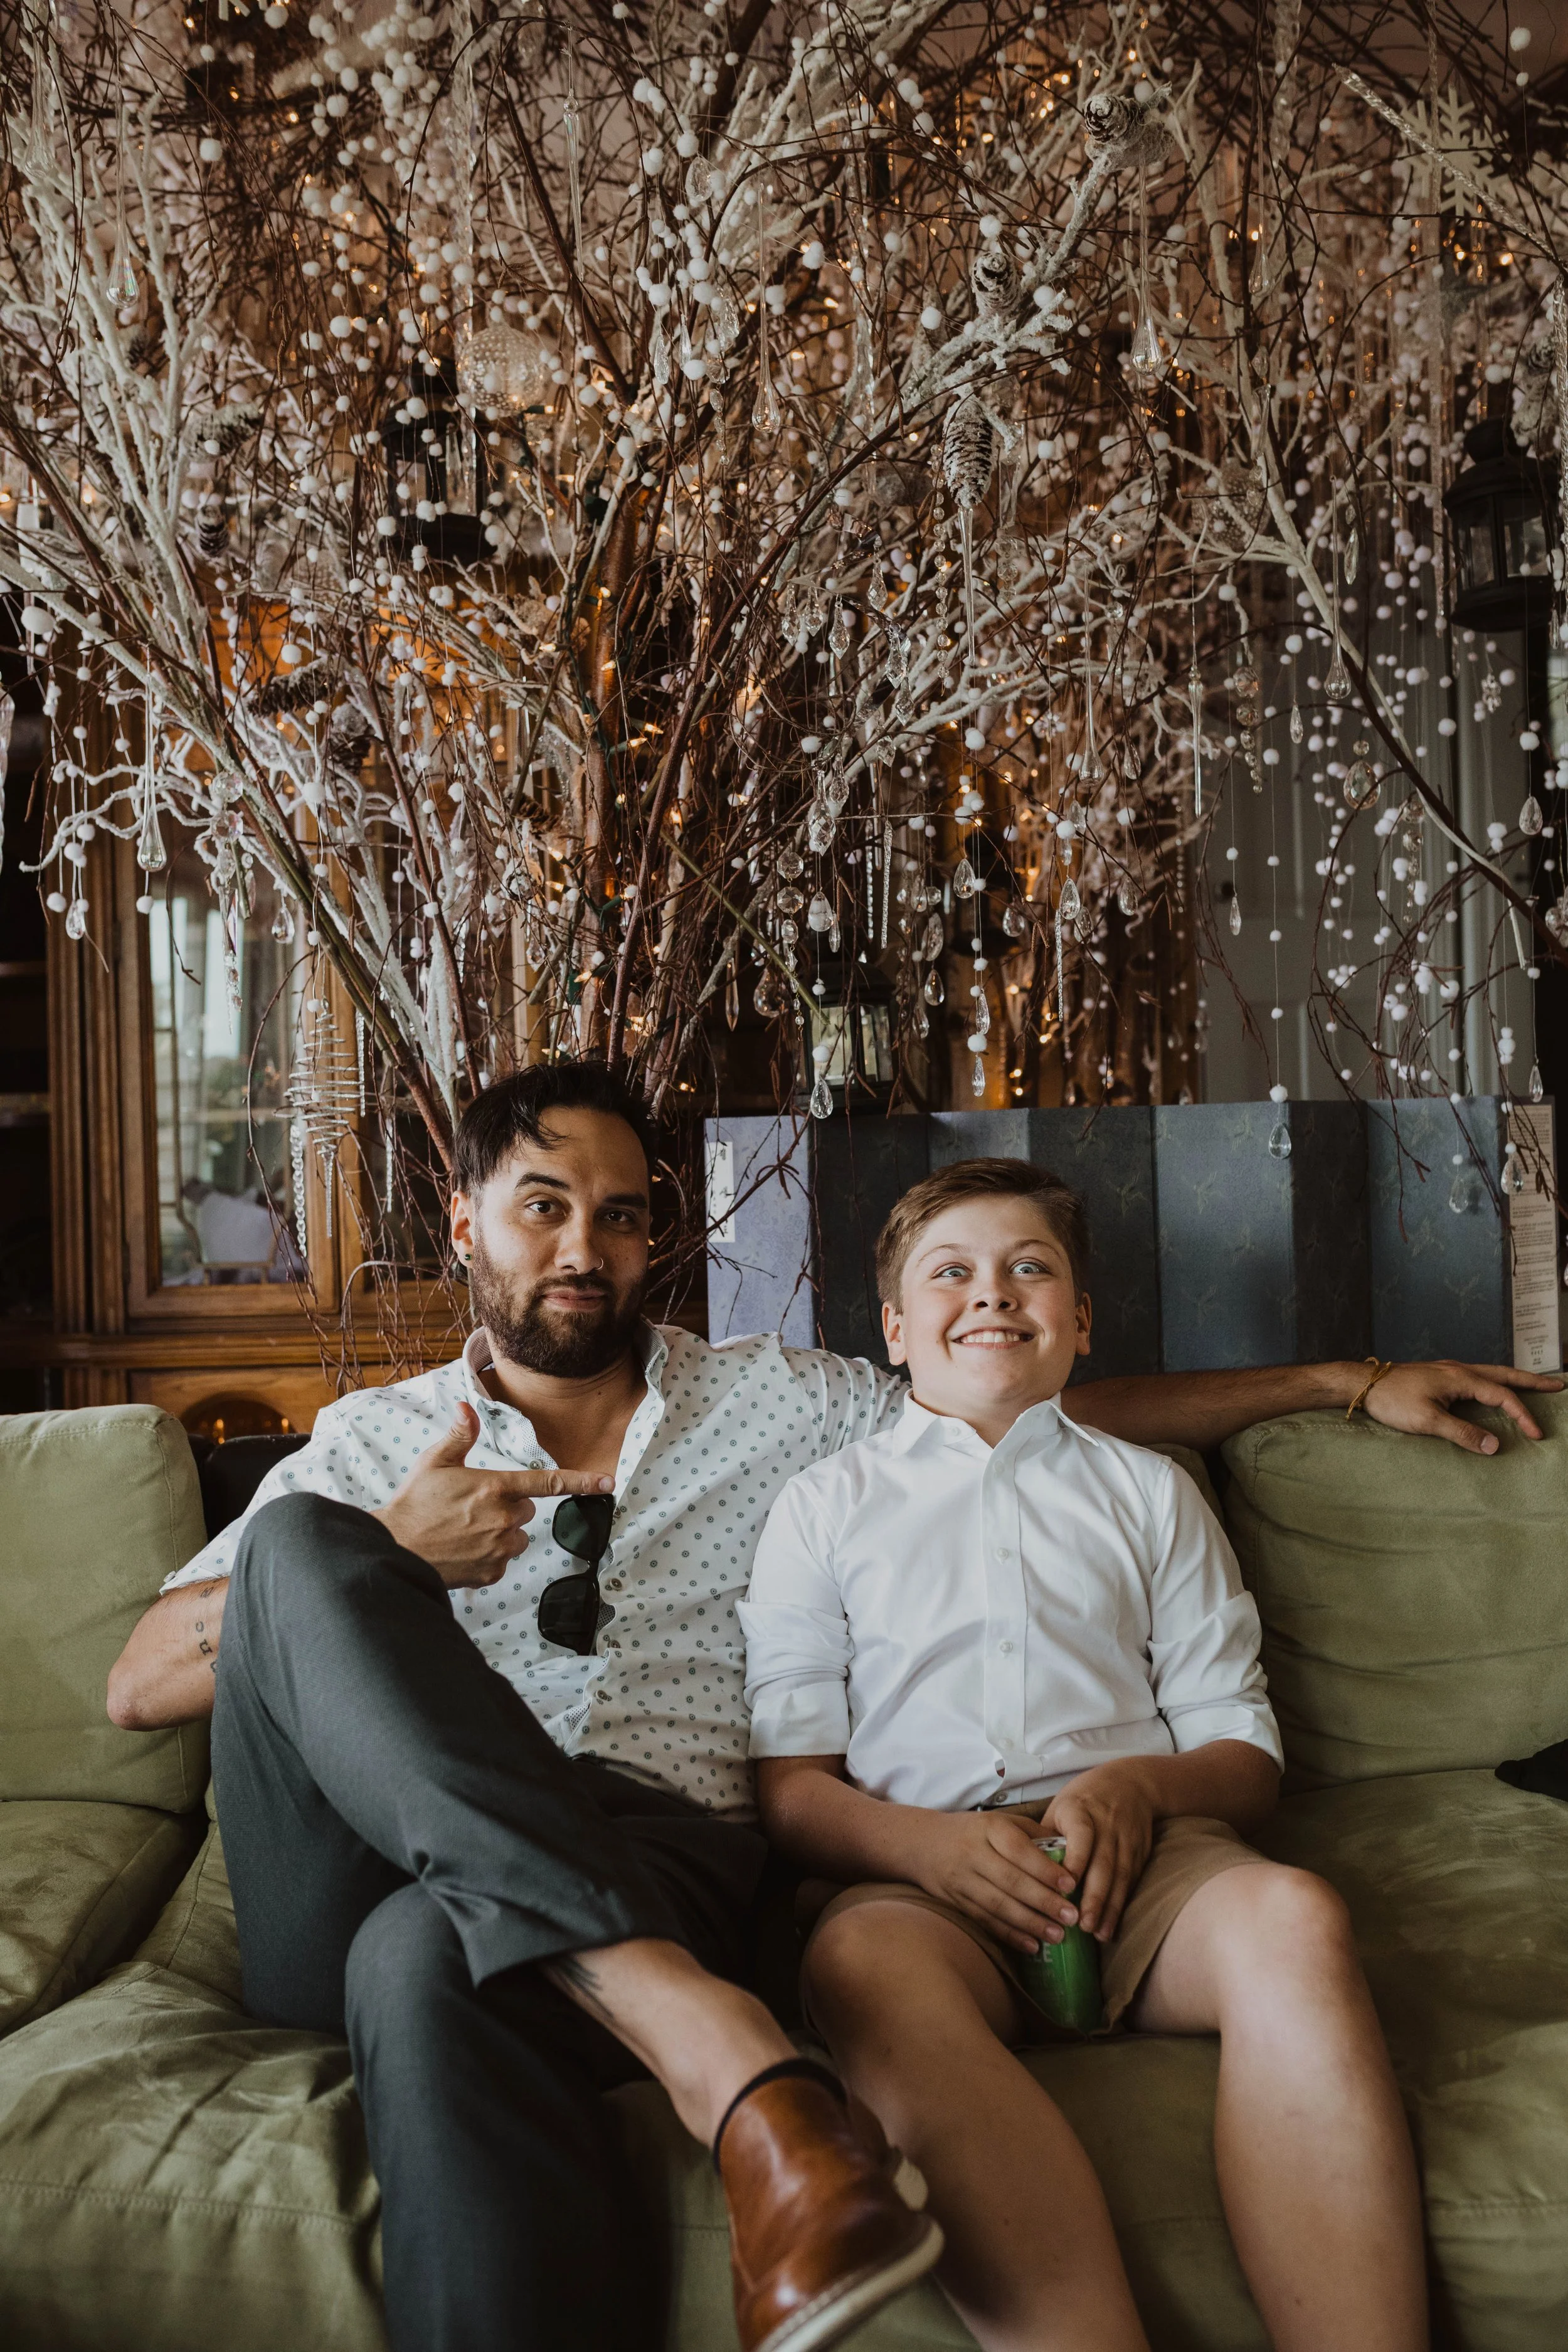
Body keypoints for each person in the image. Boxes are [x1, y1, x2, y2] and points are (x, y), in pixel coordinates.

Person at [107, 1065, 1555, 2352]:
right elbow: (139, 1683)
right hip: (353, 1856)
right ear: (465, 1224)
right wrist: (396, 1559)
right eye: (541, 1206)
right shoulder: (365, 1437)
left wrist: (1340, 1380)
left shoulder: (780, 1408)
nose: (581, 1246)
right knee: (311, 1551)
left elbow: (1012, 1419)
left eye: (617, 1215)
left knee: (426, 1963)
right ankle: (727, 2057)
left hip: (640, 1852)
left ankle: (640, 2000)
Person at [742, 1158, 1433, 2352]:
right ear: (897, 1331)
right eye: (950, 1273)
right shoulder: (822, 1506)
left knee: (1296, 1918)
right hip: (920, 1875)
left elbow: (1243, 1746)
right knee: (862, 1969)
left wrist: (1136, 1784)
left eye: (1032, 1268)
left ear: (1083, 1320)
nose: (992, 1294)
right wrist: (932, 1850)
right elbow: (793, 1789)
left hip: (1149, 1851)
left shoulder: (1152, 1493)